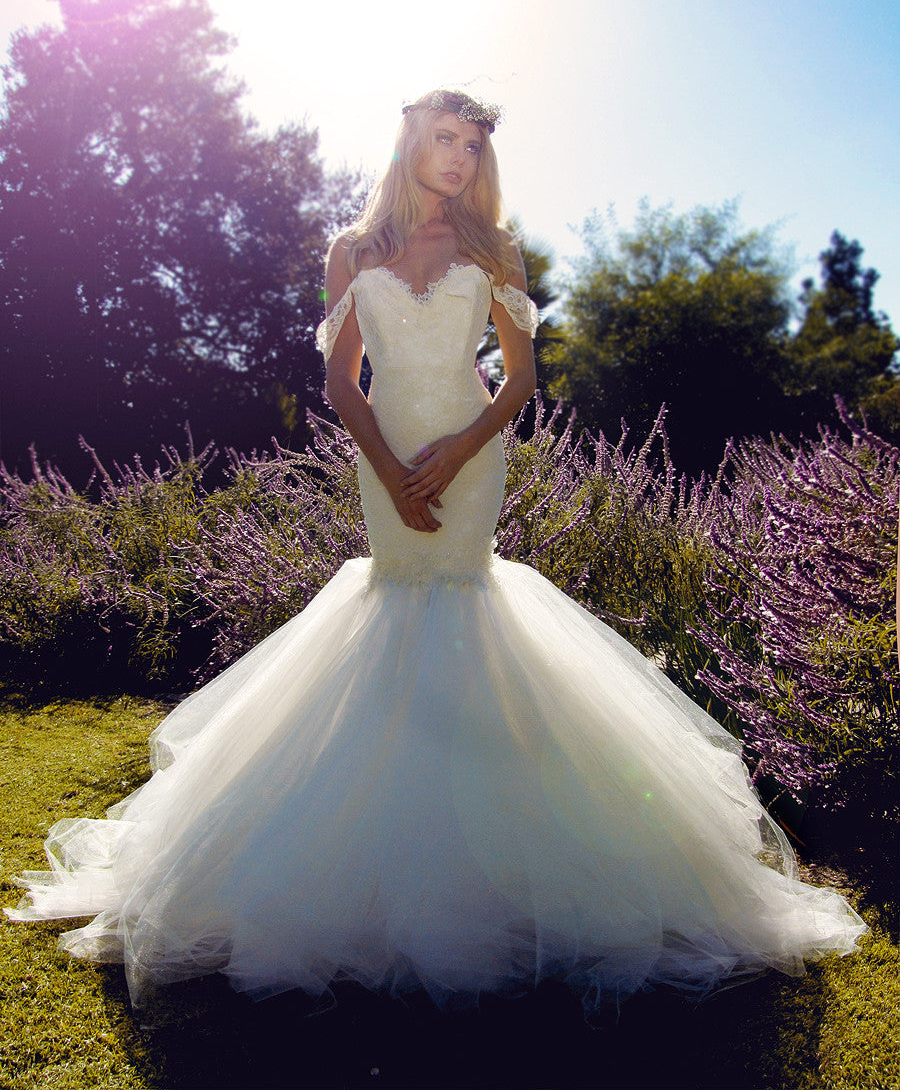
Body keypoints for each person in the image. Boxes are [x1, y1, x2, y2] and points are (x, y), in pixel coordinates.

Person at [7, 89, 866, 1014]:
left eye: (474, 146)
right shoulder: (349, 251)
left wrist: (455, 451)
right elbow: (341, 380)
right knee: (396, 598)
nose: (459, 159)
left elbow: (521, 378)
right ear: (413, 142)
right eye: (446, 140)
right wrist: (389, 467)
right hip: (385, 452)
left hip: (469, 448)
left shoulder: (495, 250)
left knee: (464, 597)